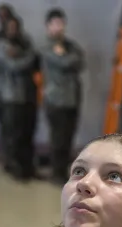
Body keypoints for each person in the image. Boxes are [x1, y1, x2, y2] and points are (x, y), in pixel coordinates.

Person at [40, 8, 85, 183]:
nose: (59, 27)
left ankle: (65, 170)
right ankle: (57, 174)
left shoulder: (70, 45)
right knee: (58, 139)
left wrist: (66, 55)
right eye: (55, 24)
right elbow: (64, 62)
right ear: (48, 26)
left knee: (68, 137)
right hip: (55, 100)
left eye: (61, 23)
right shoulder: (46, 46)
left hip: (72, 99)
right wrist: (66, 57)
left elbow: (80, 60)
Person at [0, 16, 39, 181]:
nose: (13, 30)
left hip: (28, 95)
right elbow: (14, 66)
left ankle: (27, 166)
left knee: (27, 133)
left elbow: (34, 58)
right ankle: (13, 167)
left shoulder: (25, 42)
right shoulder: (1, 44)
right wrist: (28, 57)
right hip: (10, 96)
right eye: (10, 27)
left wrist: (23, 55)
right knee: (13, 135)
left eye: (16, 27)